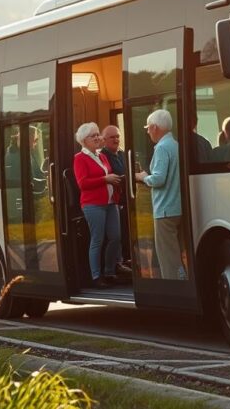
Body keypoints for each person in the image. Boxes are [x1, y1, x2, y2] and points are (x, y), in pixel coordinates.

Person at [134, 109, 185, 280]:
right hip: (177, 207)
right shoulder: (175, 145)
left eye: (148, 128)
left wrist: (142, 177)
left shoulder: (162, 147)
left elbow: (158, 179)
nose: (148, 132)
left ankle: (174, 288)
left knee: (168, 257)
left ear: (155, 127)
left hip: (164, 210)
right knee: (177, 253)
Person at [73, 122, 123, 287]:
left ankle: (109, 271)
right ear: (83, 140)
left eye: (97, 134)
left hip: (110, 202)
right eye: (92, 136)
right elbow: (83, 184)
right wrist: (105, 179)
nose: (96, 138)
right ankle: (96, 276)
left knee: (115, 237)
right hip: (93, 204)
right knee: (97, 239)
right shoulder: (79, 158)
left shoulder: (101, 156)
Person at [101, 125, 133, 269]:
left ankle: (127, 261)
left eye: (118, 136)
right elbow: (112, 177)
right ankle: (117, 266)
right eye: (112, 137)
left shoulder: (122, 154)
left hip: (128, 199)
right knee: (117, 235)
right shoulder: (102, 157)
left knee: (127, 232)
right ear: (104, 140)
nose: (116, 140)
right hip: (113, 202)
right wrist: (131, 177)